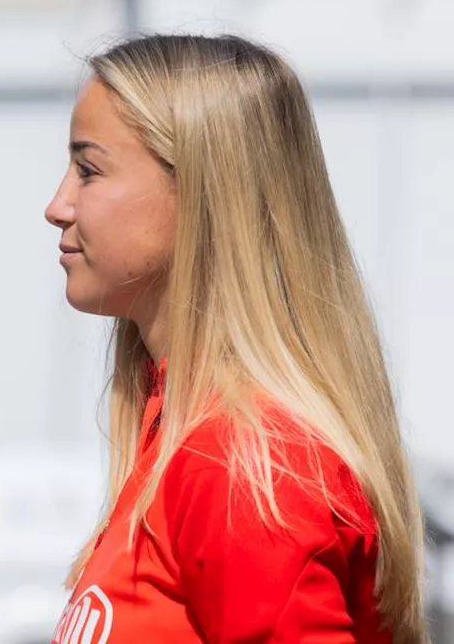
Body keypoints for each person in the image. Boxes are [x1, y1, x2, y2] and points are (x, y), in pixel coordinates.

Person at [44, 34, 426, 644]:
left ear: (199, 188)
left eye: (89, 169)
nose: (57, 206)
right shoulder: (180, 432)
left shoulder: (243, 462)